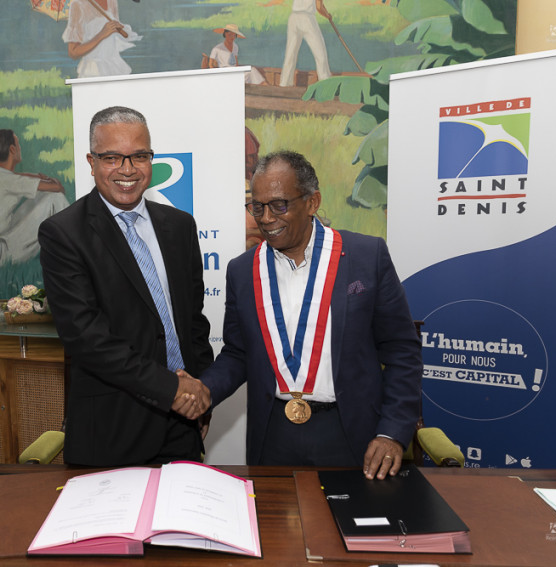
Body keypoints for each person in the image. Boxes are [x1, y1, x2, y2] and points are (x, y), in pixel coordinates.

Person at [191, 151, 422, 478]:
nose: (266, 218)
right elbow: (239, 353)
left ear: (312, 202)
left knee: (347, 529)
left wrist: (391, 432)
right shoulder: (243, 271)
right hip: (273, 436)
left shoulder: (366, 257)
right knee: (271, 528)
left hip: (351, 433)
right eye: (257, 206)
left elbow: (402, 351)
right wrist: (205, 390)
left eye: (279, 205)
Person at [38, 106, 213, 466]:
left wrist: (201, 393)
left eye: (139, 156)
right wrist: (173, 389)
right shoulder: (64, 234)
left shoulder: (179, 226)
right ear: (91, 161)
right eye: (112, 157)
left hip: (184, 426)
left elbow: (193, 323)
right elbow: (88, 339)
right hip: (113, 431)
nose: (127, 169)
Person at [0, 129, 69, 267]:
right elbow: (58, 188)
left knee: (42, 194)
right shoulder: (8, 181)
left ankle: (61, 248)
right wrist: (52, 182)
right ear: (12, 149)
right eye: (18, 144)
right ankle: (71, 249)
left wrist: (38, 177)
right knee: (56, 197)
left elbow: (19, 177)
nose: (20, 148)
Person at [62, 0, 141, 78]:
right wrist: (102, 34)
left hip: (115, 66)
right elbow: (73, 53)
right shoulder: (78, 4)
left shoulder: (112, 1)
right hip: (94, 72)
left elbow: (113, 38)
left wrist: (120, 30)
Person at [265, 0, 332, 87]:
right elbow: (319, 7)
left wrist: (325, 11)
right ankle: (325, 80)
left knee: (290, 54)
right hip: (307, 18)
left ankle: (285, 83)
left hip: (294, 17)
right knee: (320, 53)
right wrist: (327, 15)